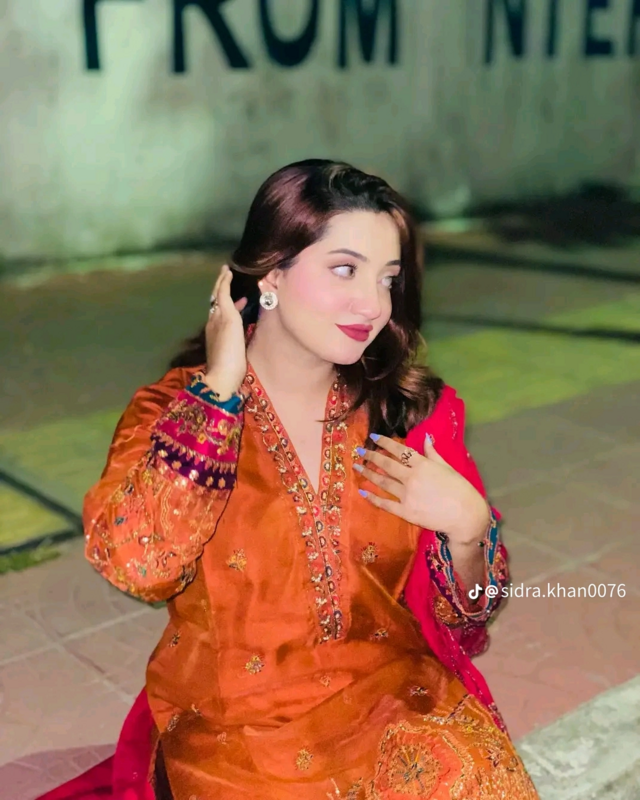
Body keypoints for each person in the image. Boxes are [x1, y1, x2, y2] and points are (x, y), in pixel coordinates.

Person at [38, 160, 539, 799]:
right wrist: (219, 394)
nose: (373, 305)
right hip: (232, 727)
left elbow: (470, 612)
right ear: (272, 272)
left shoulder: (406, 414)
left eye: (387, 279)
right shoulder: (175, 412)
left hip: (392, 703)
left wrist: (469, 529)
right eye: (344, 270)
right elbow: (139, 568)